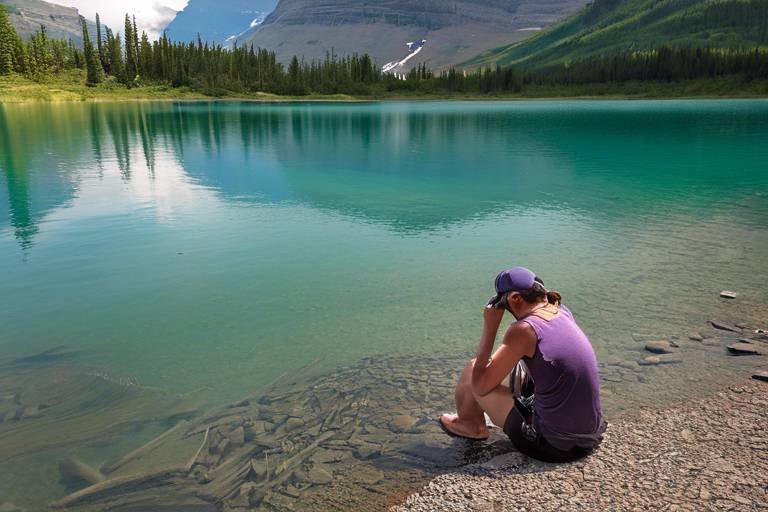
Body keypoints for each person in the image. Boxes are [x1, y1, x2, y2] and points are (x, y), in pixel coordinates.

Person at [439, 267, 606, 463]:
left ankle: (470, 427)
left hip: (552, 445)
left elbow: (480, 386)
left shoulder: (524, 330)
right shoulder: (560, 311)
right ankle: (484, 419)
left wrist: (490, 328)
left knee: (472, 371)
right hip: (588, 436)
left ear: (515, 299)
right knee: (520, 365)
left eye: (502, 302)